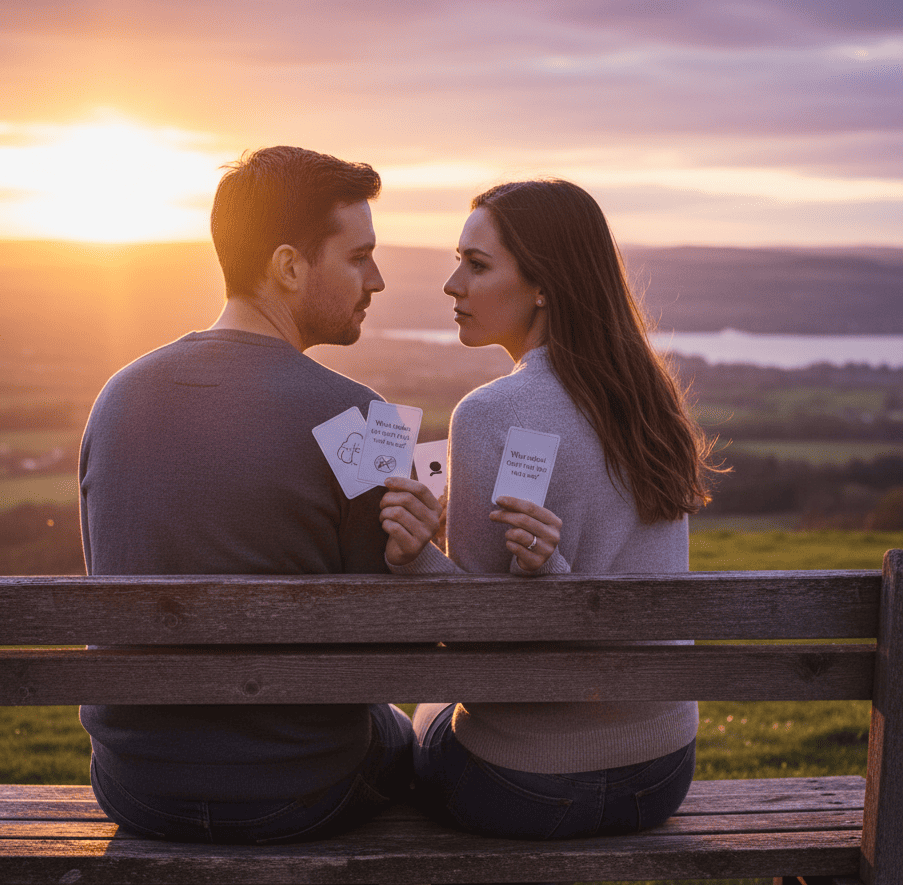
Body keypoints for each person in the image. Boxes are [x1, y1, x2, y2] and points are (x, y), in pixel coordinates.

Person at [79, 146, 413, 844]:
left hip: (136, 786)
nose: (378, 279)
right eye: (359, 257)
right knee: (416, 730)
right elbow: (392, 637)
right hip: (299, 790)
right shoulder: (365, 418)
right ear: (289, 266)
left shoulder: (116, 399)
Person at [379, 179, 717, 840]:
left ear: (543, 285)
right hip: (662, 771)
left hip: (524, 786)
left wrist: (413, 554)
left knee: (419, 720)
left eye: (476, 265)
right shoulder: (651, 399)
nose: (452, 284)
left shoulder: (490, 412)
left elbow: (472, 634)